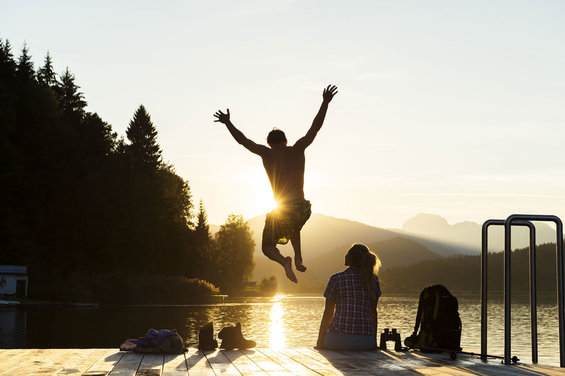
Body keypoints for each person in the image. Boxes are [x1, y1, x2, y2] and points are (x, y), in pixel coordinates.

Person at [213, 85, 338, 283]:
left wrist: (228, 123)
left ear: (269, 143)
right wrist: (325, 103)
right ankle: (298, 256)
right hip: (302, 208)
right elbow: (315, 128)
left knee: (268, 247)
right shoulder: (297, 149)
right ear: (286, 140)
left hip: (282, 209)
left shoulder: (267, 154)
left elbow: (243, 141)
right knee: (293, 223)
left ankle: (285, 261)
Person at [316, 243, 382, 350]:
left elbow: (328, 313)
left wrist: (320, 341)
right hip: (366, 342)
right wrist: (373, 342)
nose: (345, 256)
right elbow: (373, 313)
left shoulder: (336, 278)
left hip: (338, 341)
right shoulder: (373, 280)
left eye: (347, 254)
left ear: (350, 258)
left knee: (329, 336)